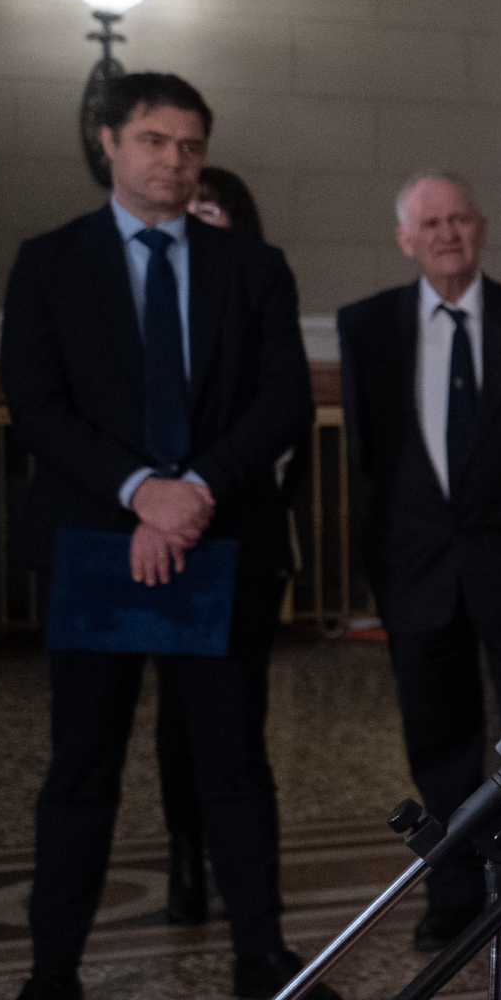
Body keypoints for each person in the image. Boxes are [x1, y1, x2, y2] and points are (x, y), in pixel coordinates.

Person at [0, 72, 343, 1000]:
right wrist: (142, 490)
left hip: (218, 539)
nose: (174, 161)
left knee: (234, 762)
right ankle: (53, 975)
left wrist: (192, 492)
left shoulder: (252, 266)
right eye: (153, 140)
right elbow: (36, 403)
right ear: (108, 142)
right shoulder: (49, 262)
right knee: (81, 769)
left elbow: (282, 399)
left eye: (190, 146)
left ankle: (261, 954)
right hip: (96, 543)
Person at [337, 171, 501, 953]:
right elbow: (367, 461)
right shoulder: (366, 326)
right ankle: (453, 889)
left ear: (481, 227)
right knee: (438, 744)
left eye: (458, 220)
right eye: (429, 224)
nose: (446, 234)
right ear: (405, 240)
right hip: (416, 573)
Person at [157, 164, 268, 926]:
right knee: (176, 716)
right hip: (162, 537)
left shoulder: (258, 292)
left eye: (213, 209)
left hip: (240, 534)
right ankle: (185, 855)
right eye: (192, 208)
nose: (200, 218)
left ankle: (246, 887)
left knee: (236, 721)